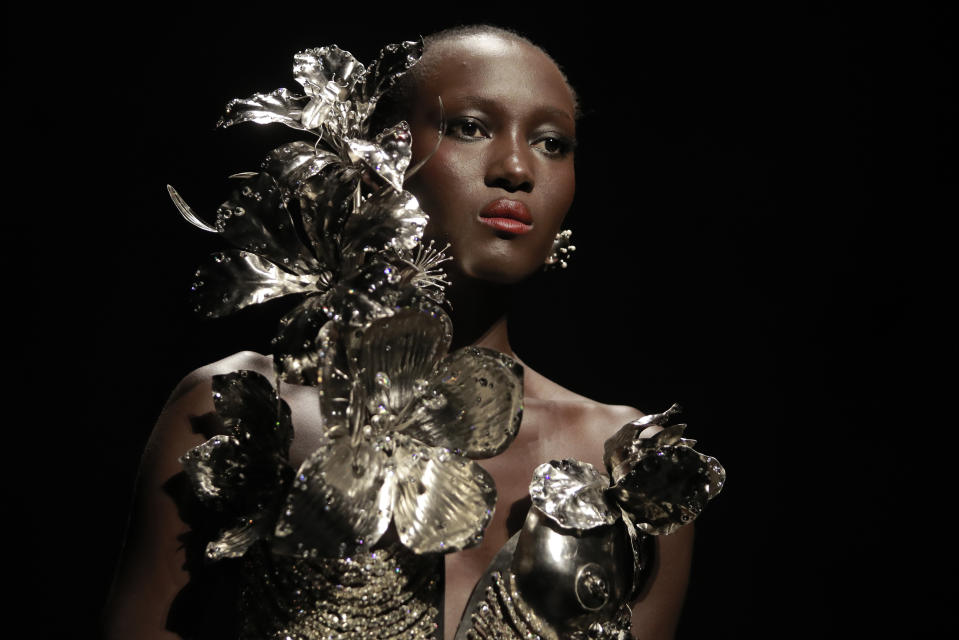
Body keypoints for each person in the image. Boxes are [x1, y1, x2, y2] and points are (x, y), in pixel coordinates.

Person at [104, 25, 695, 640]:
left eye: (552, 143)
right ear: (376, 155)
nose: (518, 168)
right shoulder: (241, 411)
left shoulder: (632, 472)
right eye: (470, 126)